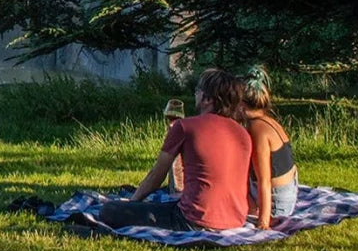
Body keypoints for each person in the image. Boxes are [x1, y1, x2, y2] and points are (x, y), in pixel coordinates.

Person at [98, 69, 253, 231]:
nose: (195, 95)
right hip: (235, 219)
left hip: (193, 220)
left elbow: (156, 176)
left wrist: (133, 201)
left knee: (109, 210)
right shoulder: (242, 134)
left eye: (197, 91)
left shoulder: (186, 126)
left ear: (207, 99)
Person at [242, 67, 298, 229]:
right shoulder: (269, 122)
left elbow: (264, 180)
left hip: (277, 205)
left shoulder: (257, 130)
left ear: (242, 104)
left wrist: (263, 222)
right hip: (287, 194)